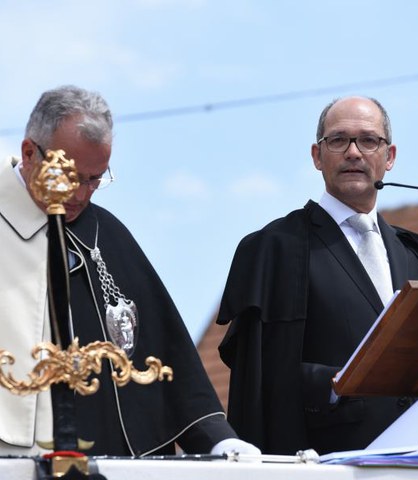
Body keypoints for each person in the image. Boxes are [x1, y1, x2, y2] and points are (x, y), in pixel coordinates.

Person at [0, 85, 259, 457]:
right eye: (70, 176)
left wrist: (217, 437)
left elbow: (167, 350)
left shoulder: (106, 232)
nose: (80, 195)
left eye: (95, 179)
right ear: (29, 152)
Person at [216, 95, 418, 455]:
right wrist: (338, 383)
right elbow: (261, 376)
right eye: (338, 140)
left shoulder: (417, 259)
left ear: (389, 157)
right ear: (317, 156)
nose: (354, 152)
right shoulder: (276, 248)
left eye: (369, 140)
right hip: (331, 459)